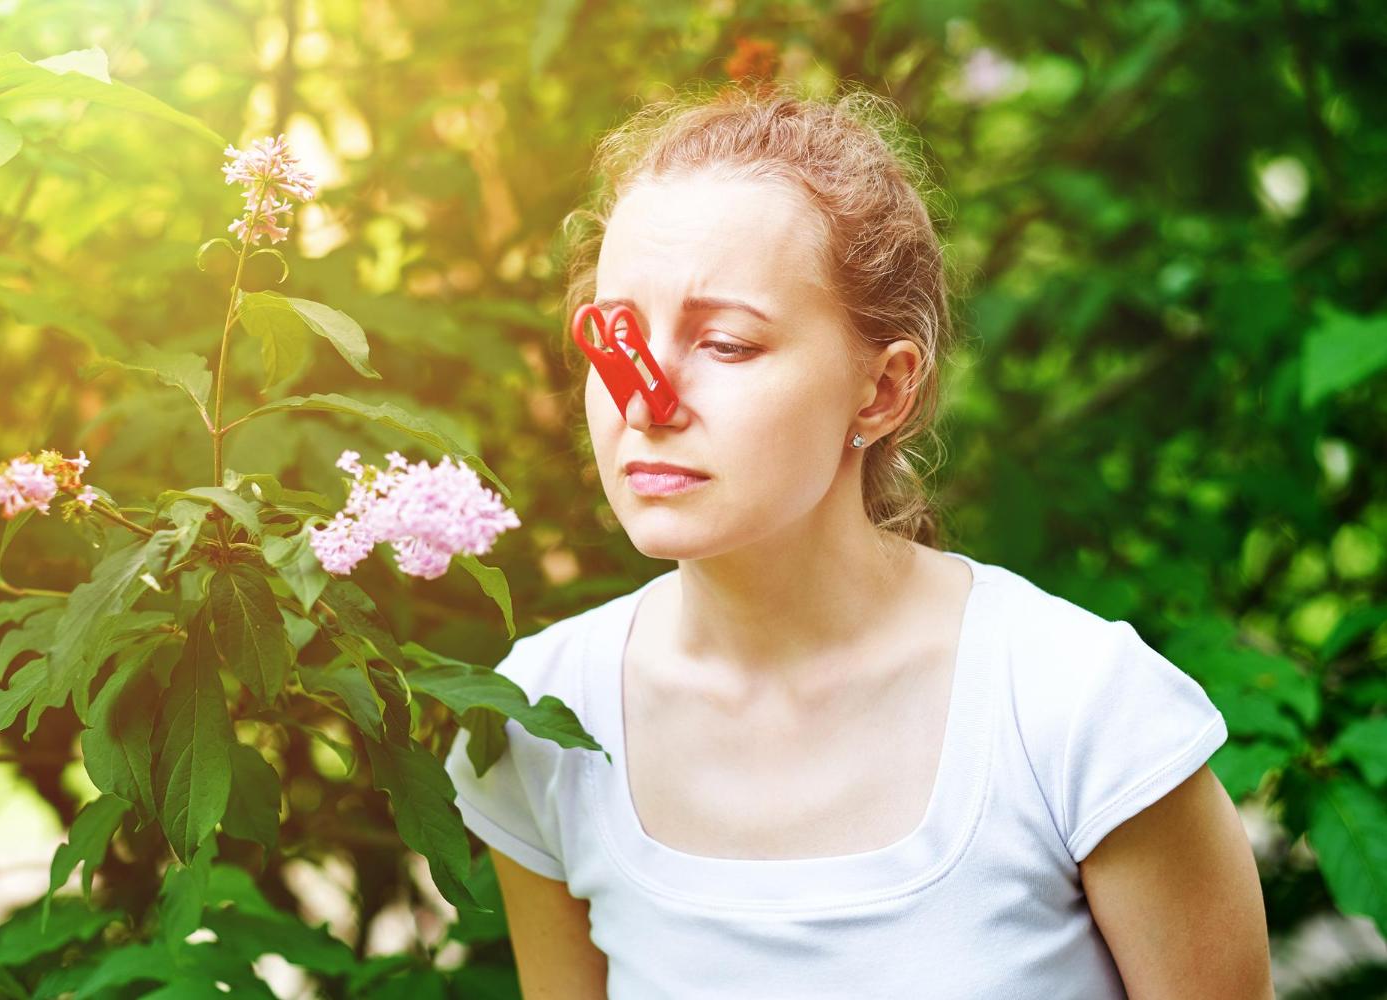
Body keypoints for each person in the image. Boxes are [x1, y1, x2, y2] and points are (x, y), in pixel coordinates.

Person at [444, 82, 1272, 999]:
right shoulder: (543, 719)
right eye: (619, 338)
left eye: (726, 344)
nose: (646, 402)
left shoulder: (1082, 714)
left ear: (882, 391)